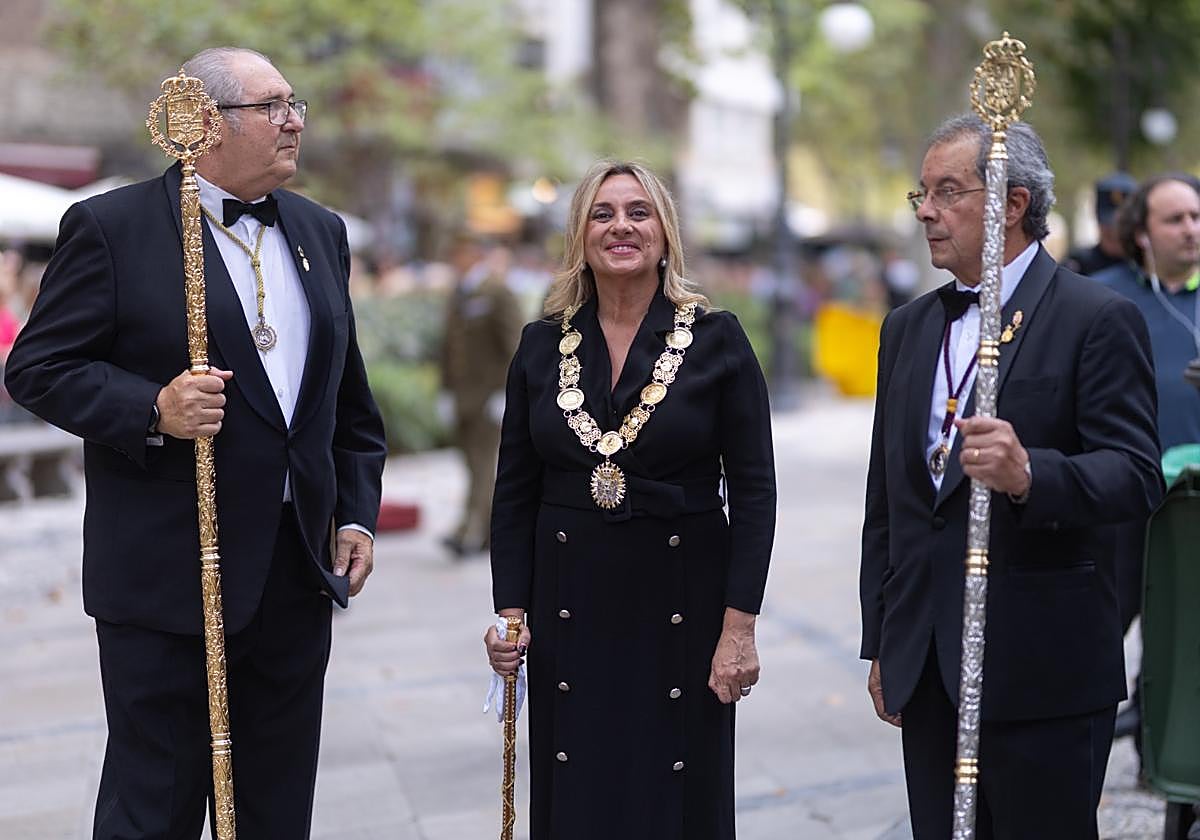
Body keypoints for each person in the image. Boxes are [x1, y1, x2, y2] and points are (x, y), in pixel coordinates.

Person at [4, 47, 386, 839]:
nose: (294, 121)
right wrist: (153, 406)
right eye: (272, 105)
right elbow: (37, 367)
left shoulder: (321, 230)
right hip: (169, 570)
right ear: (206, 122)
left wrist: (355, 512)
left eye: (295, 104)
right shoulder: (112, 228)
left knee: (276, 808)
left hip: (293, 569)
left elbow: (344, 399)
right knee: (156, 805)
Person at [860, 114, 1163, 839]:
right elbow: (888, 501)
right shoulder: (908, 327)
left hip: (1042, 666)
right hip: (928, 665)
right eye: (921, 195)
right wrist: (882, 641)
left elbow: (1135, 476)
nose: (926, 211)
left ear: (1012, 205)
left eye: (946, 192)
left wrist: (1032, 475)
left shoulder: (1096, 317)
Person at [482, 160, 776, 839]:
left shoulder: (718, 340)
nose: (621, 227)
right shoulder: (539, 345)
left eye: (639, 212)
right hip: (568, 609)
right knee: (578, 790)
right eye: (603, 213)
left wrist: (739, 630)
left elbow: (756, 495)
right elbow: (513, 494)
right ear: (579, 234)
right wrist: (508, 614)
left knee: (677, 796)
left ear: (665, 233)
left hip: (684, 604)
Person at [1093, 173, 1200, 753]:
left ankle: (1169, 751)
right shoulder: (1104, 298)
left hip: (1196, 502)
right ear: (1141, 234)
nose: (1190, 229)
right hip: (1124, 501)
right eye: (1174, 219)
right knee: (1106, 625)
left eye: (1196, 217)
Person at [439, 236, 523, 557]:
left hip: (489, 396)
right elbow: (447, 347)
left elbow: (514, 346)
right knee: (472, 466)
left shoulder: (498, 292)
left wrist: (507, 393)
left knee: (484, 464)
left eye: (458, 253)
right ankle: (490, 531)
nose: (454, 261)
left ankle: (467, 532)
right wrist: (445, 390)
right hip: (463, 397)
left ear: (474, 253)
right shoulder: (458, 293)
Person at [1064, 171, 1137, 276]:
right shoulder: (1078, 265)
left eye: (1121, 227)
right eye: (1108, 225)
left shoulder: (1148, 266)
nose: (1114, 232)